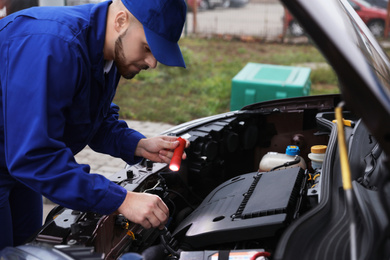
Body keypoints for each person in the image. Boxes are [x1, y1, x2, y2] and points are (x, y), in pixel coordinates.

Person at [0, 0, 188, 250]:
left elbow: (90, 118)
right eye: (147, 47)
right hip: (21, 159)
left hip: (16, 163)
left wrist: (138, 145)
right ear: (121, 20)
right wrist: (121, 199)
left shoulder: (107, 53)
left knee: (26, 249)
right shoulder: (54, 47)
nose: (152, 63)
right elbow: (35, 156)